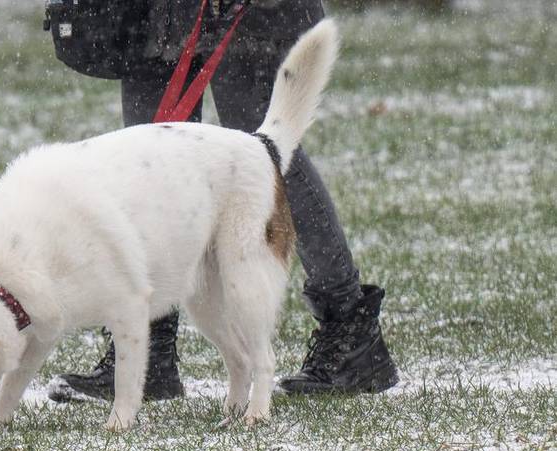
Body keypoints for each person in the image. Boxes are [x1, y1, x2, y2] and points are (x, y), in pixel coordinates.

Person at [48, 0, 399, 402]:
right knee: (149, 158)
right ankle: (147, 352)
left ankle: (349, 330)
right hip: (154, 12)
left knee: (259, 150)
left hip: (246, 11)